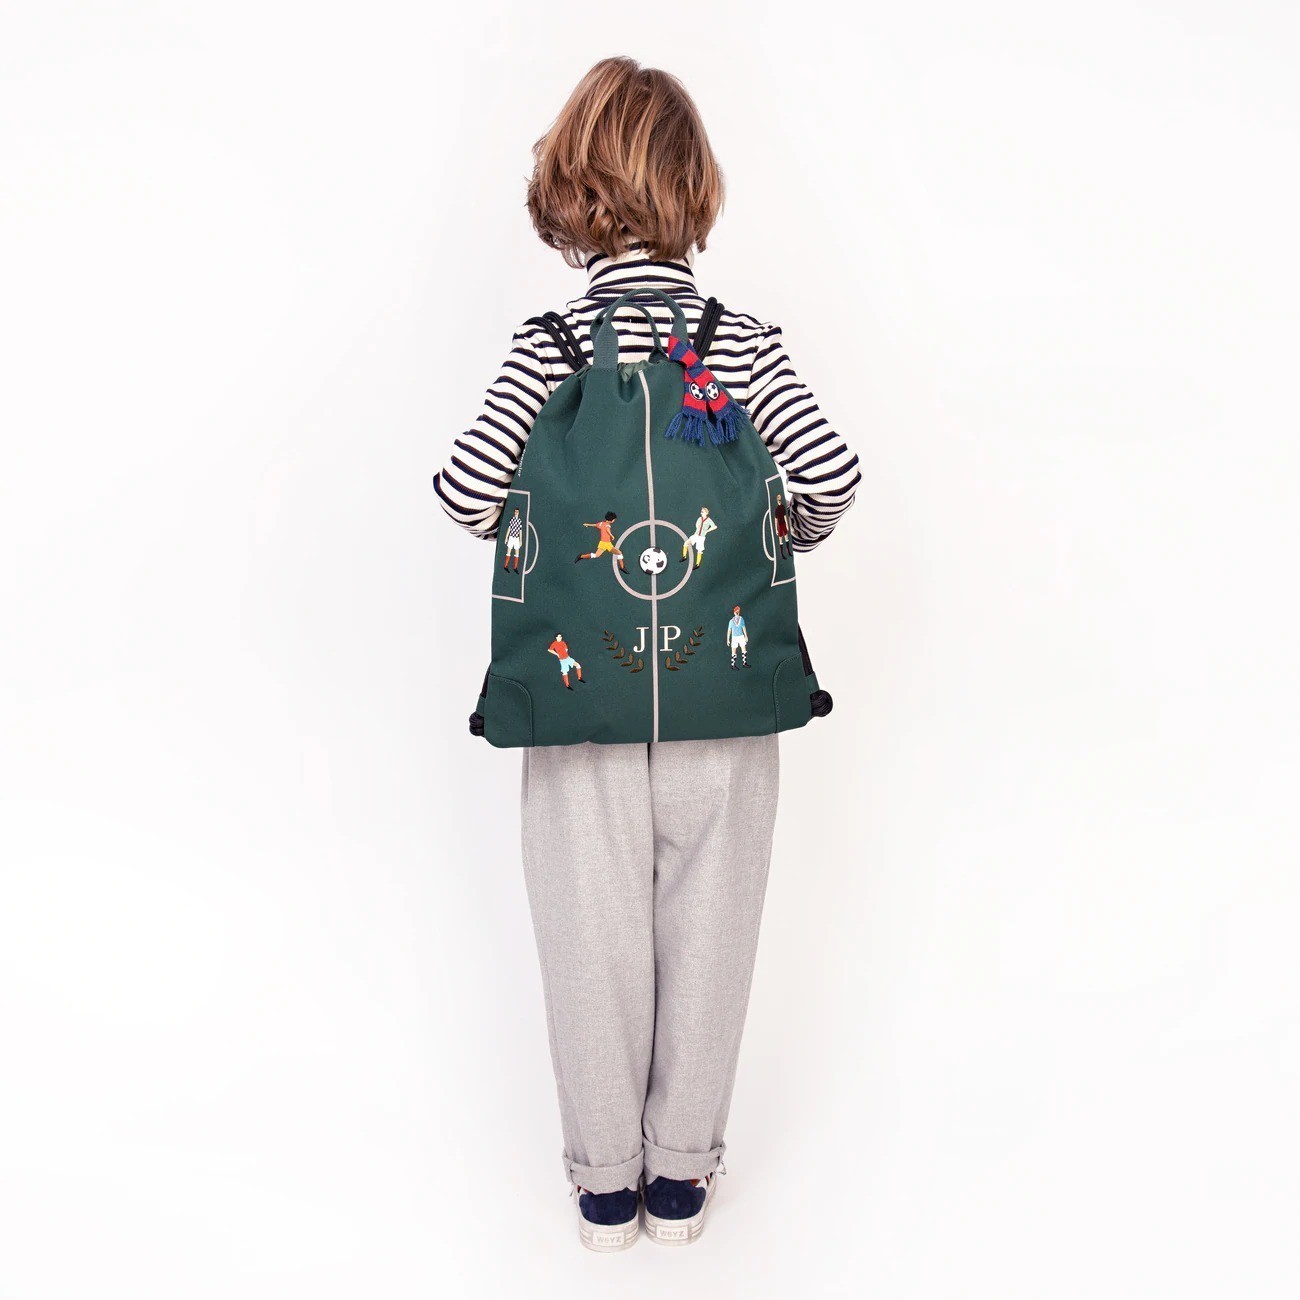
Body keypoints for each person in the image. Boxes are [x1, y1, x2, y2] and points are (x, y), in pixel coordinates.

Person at [433, 57, 859, 1251]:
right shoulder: (745, 346)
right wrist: (776, 534)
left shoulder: (548, 347)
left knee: (590, 942)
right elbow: (830, 478)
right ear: (693, 189)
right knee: (711, 936)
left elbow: (465, 493)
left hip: (580, 710)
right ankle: (680, 1183)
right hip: (727, 701)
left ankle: (603, 1190)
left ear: (570, 193)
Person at [773, 493, 792, 559]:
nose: (779, 501)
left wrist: (787, 525)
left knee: (786, 538)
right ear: (777, 500)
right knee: (780, 540)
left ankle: (788, 551)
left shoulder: (783, 507)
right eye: (778, 500)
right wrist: (776, 529)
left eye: (780, 500)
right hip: (779, 525)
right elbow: (775, 520)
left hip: (783, 524)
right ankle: (782, 554)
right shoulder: (776, 509)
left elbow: (785, 517)